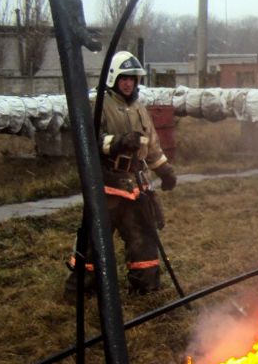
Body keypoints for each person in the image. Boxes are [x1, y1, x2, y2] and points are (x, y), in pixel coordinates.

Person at [66, 51, 177, 295]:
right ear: (114, 78)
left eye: (133, 79)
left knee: (143, 238)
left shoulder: (139, 109)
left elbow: (152, 146)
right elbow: (88, 140)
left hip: (137, 186)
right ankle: (84, 288)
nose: (129, 83)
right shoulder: (99, 105)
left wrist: (165, 172)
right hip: (106, 187)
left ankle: (145, 286)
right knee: (96, 240)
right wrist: (117, 142)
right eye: (124, 78)